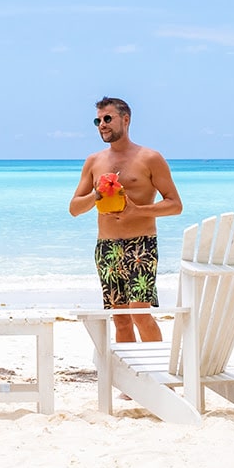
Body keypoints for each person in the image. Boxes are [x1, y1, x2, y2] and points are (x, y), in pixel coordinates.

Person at [69, 97, 183, 343]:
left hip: (141, 245)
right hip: (106, 248)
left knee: (139, 314)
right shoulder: (94, 161)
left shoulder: (150, 158)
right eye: (98, 120)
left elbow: (175, 205)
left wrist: (137, 211)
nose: (102, 125)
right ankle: (130, 377)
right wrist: (97, 193)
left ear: (126, 119)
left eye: (108, 118)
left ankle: (155, 372)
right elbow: (75, 208)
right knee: (120, 319)